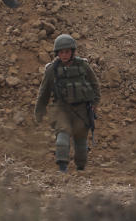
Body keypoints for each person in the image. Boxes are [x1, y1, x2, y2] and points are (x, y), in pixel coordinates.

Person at [34, 34, 100, 173]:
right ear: (57, 53)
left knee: (81, 143)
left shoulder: (83, 66)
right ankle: (62, 170)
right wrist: (39, 111)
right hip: (61, 109)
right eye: (61, 52)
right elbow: (44, 91)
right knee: (62, 138)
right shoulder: (52, 69)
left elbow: (95, 85)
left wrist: (95, 103)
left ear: (72, 52)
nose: (64, 55)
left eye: (67, 52)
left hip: (81, 110)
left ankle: (80, 169)